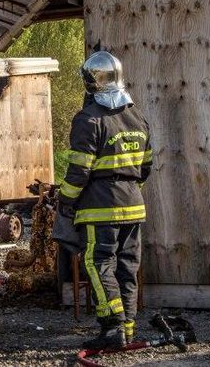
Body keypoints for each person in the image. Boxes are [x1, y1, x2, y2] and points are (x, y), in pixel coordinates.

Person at [58, 51, 153, 349]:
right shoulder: (138, 117)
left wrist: (65, 200)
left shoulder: (88, 120)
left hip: (100, 207)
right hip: (134, 205)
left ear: (90, 83)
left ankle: (111, 327)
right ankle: (128, 329)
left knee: (98, 263)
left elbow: (78, 171)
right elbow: (146, 167)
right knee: (127, 267)